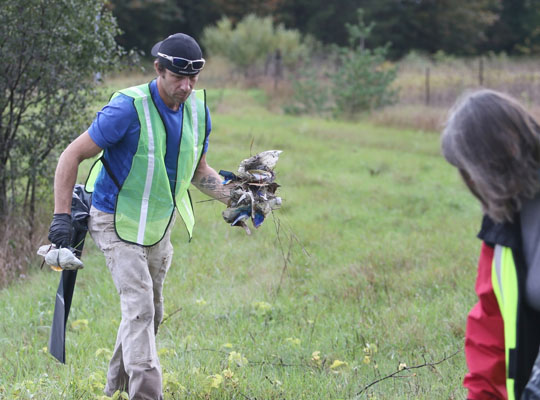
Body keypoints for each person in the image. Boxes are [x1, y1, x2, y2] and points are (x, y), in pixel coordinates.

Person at [47, 33, 232, 399]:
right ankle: (147, 395)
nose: (186, 86)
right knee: (140, 307)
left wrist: (238, 199)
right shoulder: (127, 108)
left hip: (157, 225)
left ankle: (114, 387)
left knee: (151, 312)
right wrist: (61, 217)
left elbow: (199, 171)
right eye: (178, 77)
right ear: (158, 69)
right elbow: (71, 155)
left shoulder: (197, 110)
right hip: (113, 219)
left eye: (193, 77)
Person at [441, 89, 540, 400]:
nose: (472, 184)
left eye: (473, 171)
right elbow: (490, 329)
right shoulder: (502, 227)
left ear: (509, 149)